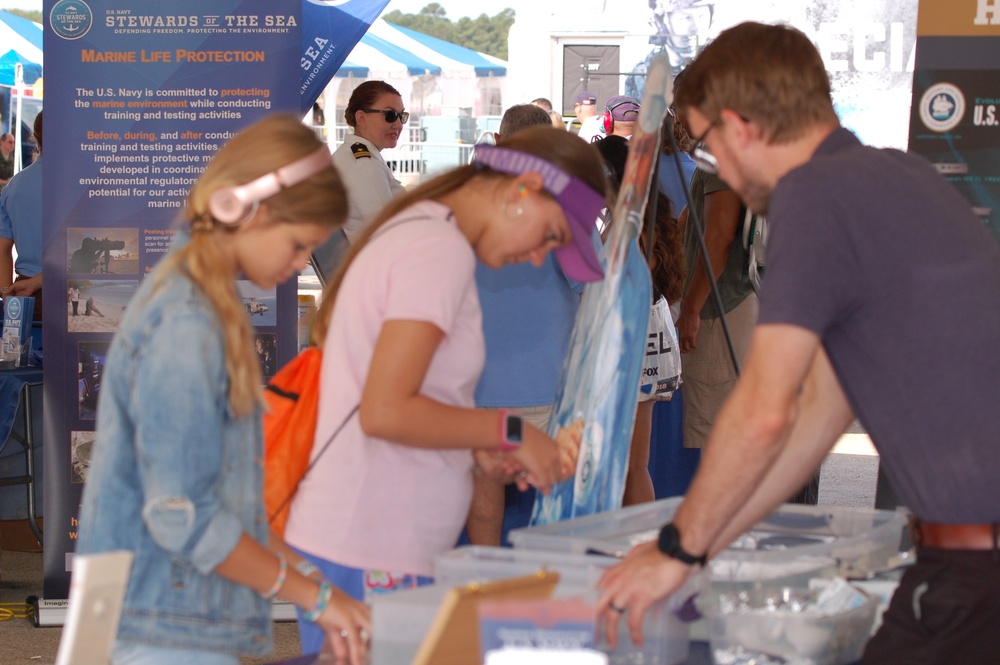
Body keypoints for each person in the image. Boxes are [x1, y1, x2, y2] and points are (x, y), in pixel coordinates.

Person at [597, 23, 1000, 665]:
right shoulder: (893, 175)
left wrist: (678, 549)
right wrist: (698, 541)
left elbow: (764, 410)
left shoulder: (816, 195)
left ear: (742, 124)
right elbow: (817, 413)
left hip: (975, 564)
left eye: (707, 147)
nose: (717, 169)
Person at [284, 126, 606, 652]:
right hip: (369, 542)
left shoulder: (431, 235)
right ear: (522, 191)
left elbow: (405, 394)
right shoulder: (437, 250)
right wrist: (508, 431)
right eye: (549, 237)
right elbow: (385, 410)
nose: (536, 258)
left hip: (375, 538)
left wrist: (475, 446)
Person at [75, 115, 371, 665]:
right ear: (245, 209)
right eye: (297, 243)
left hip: (164, 615)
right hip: (155, 625)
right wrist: (316, 596)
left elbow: (226, 505)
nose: (299, 263)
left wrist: (319, 590)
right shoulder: (186, 322)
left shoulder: (203, 305)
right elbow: (180, 512)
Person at [466, 105, 593, 547]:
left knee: (483, 493)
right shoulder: (566, 203)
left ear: (498, 141)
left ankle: (480, 590)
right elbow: (590, 290)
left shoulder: (463, 198)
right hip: (551, 382)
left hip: (477, 381)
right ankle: (549, 598)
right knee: (556, 501)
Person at [595, 134, 686, 505]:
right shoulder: (634, 218)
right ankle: (632, 542)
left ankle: (636, 544)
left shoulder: (630, 225)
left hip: (630, 346)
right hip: (642, 342)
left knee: (632, 464)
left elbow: (624, 287)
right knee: (630, 463)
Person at [332, 80, 407, 244]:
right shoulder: (366, 164)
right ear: (361, 118)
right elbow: (386, 229)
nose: (398, 124)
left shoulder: (352, 153)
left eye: (402, 116)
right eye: (390, 115)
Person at [0, 112, 43, 318]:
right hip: (66, 292)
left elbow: (2, 250)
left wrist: (6, 293)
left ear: (34, 137)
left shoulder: (13, 186)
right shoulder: (80, 185)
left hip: (23, 295)